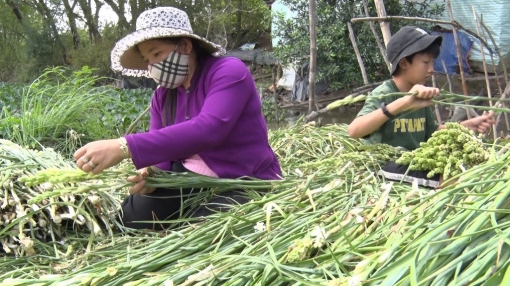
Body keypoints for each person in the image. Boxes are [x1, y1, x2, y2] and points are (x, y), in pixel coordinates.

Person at [73, 7, 282, 229]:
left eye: (156, 54)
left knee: (203, 229)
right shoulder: (162, 96)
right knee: (132, 218)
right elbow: (162, 160)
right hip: (187, 178)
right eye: (147, 60)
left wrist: (124, 146)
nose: (152, 66)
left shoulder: (228, 71)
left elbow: (209, 129)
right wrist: (150, 176)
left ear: (185, 45)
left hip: (241, 178)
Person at [348, 26, 494, 188]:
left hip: (413, 161)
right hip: (385, 165)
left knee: (464, 166)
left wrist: (466, 127)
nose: (431, 69)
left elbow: (432, 132)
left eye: (432, 62)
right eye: (425, 62)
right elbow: (354, 130)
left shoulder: (420, 95)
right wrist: (404, 102)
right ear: (404, 63)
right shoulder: (384, 94)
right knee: (452, 179)